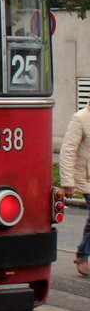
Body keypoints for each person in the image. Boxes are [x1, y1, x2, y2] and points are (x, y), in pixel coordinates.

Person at [58, 105, 90, 277]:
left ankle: (83, 254)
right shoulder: (80, 119)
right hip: (87, 178)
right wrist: (68, 181)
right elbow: (68, 151)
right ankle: (83, 255)